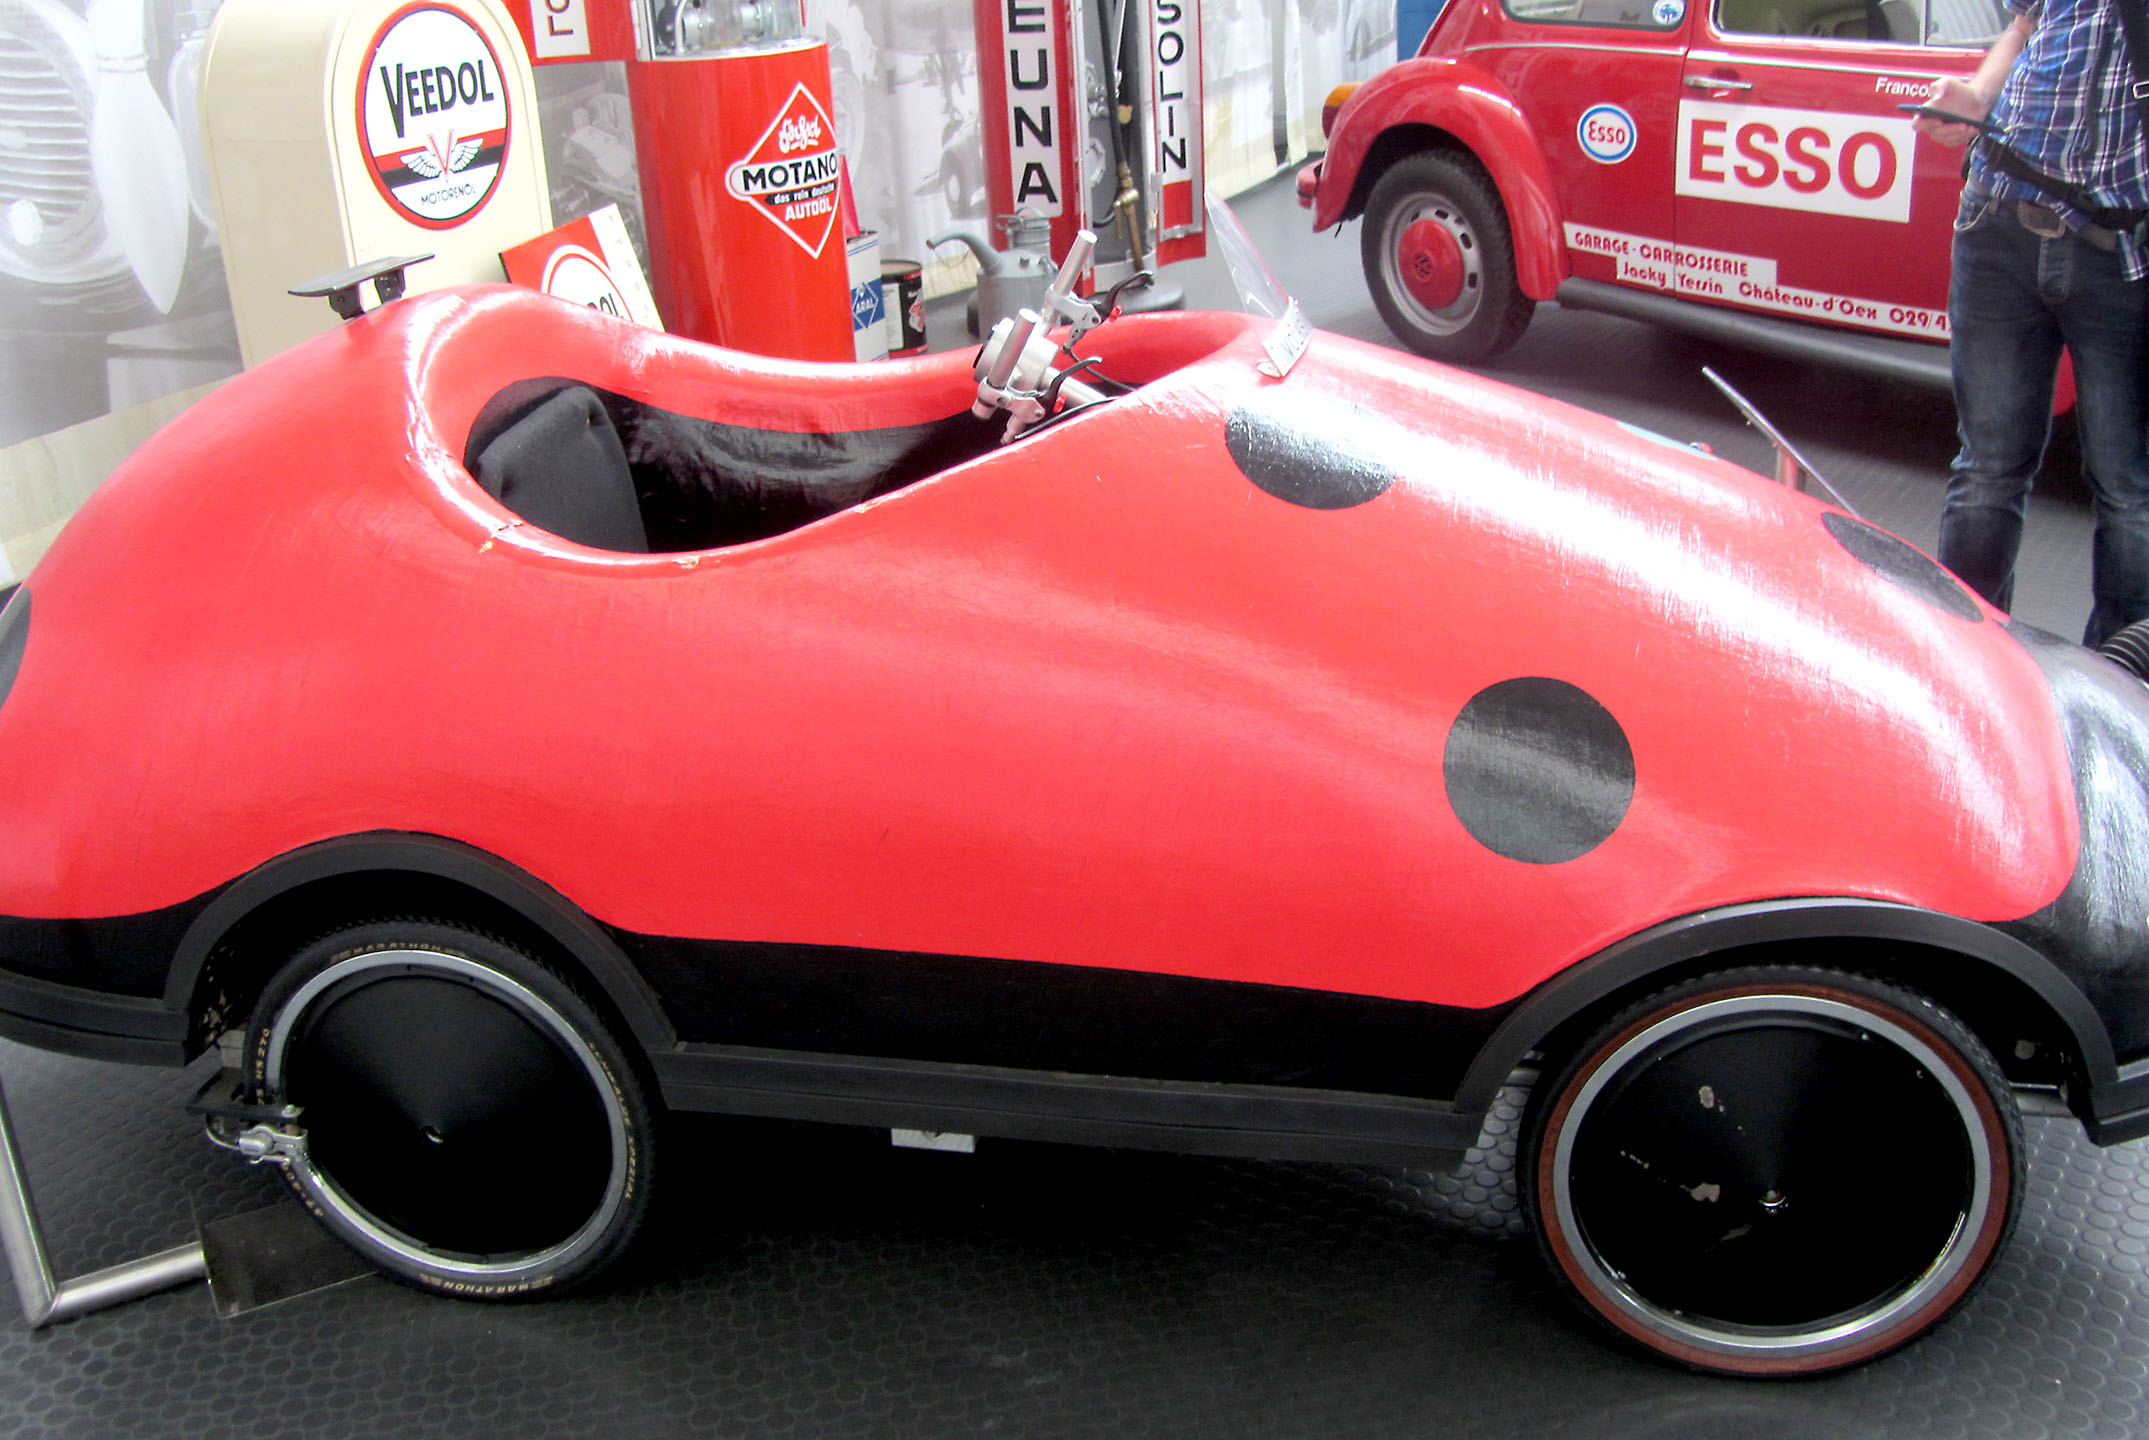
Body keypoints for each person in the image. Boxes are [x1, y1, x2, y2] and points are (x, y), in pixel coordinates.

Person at [1915, 0, 2149, 647]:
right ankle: (1967, 661)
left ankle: (2118, 684)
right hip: (1998, 217)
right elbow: (2024, 23)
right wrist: (1976, 96)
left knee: (2129, 491)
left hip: (2122, 246)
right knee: (1986, 468)